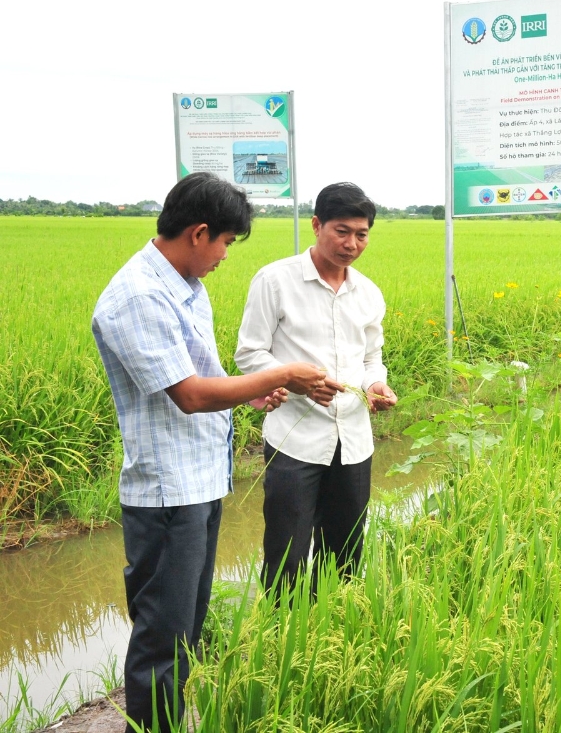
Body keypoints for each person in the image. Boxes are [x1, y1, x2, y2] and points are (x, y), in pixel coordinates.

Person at [91, 173, 329, 732]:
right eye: (225, 242)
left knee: (186, 632)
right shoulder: (140, 297)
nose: (225, 255)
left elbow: (205, 377)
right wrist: (284, 374)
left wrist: (253, 393)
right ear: (199, 233)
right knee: (162, 638)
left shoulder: (184, 285)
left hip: (199, 481)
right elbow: (191, 394)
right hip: (168, 491)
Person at [235, 181, 397, 595]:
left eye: (361, 234)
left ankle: (333, 632)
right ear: (316, 224)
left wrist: (376, 383)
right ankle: (279, 637)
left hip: (354, 441)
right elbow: (250, 354)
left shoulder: (369, 293)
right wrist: (294, 379)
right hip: (296, 440)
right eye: (341, 231)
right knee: (286, 554)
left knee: (344, 554)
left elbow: (369, 358)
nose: (352, 243)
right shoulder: (274, 281)